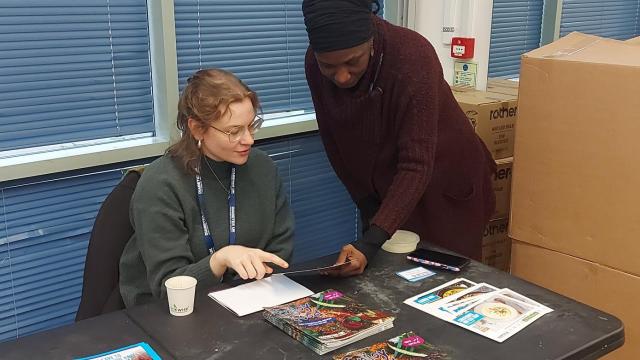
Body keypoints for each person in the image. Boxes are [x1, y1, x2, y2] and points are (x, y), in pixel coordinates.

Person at [302, 0, 496, 276]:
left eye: (352, 62)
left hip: (445, 182)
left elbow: (417, 163)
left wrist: (371, 240)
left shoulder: (412, 56)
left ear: (370, 40)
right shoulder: (313, 63)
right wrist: (368, 203)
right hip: (391, 185)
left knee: (445, 280)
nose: (341, 76)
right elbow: (334, 142)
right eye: (328, 66)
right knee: (391, 278)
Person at [119, 69, 294, 307]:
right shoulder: (161, 184)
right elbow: (167, 287)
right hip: (170, 312)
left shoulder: (262, 168)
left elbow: (280, 251)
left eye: (251, 125)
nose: (249, 140)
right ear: (198, 129)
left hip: (249, 300)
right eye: (234, 131)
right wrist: (219, 260)